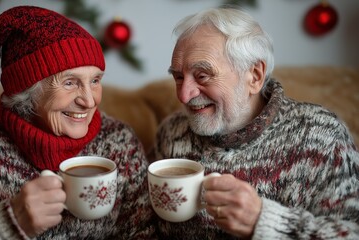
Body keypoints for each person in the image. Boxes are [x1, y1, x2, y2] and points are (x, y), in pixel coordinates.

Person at [0, 6, 154, 239]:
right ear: (28, 90)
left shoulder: (119, 140)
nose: (89, 101)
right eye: (69, 82)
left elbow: (143, 232)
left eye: (95, 80)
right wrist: (7, 224)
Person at [151, 6, 359, 239]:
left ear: (254, 76)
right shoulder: (172, 132)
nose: (184, 95)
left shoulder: (322, 137)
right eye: (178, 77)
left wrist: (265, 221)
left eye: (202, 75)